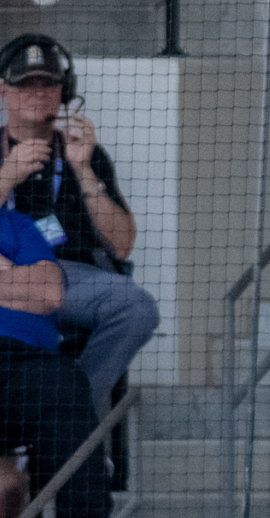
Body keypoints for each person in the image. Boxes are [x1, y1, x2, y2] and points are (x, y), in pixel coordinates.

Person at [0, 36, 157, 416]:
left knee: (137, 307)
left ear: (64, 91)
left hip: (71, 278)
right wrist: (6, 177)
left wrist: (84, 171)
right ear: (3, 91)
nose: (38, 93)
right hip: (9, 275)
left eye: (48, 83)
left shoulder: (84, 152)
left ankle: (72, 414)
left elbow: (122, 246)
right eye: (26, 84)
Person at [0, 204, 124, 518]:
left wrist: (26, 283)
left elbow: (50, 293)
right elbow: (33, 289)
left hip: (24, 359)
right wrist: (14, 276)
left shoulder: (17, 225)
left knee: (64, 385)